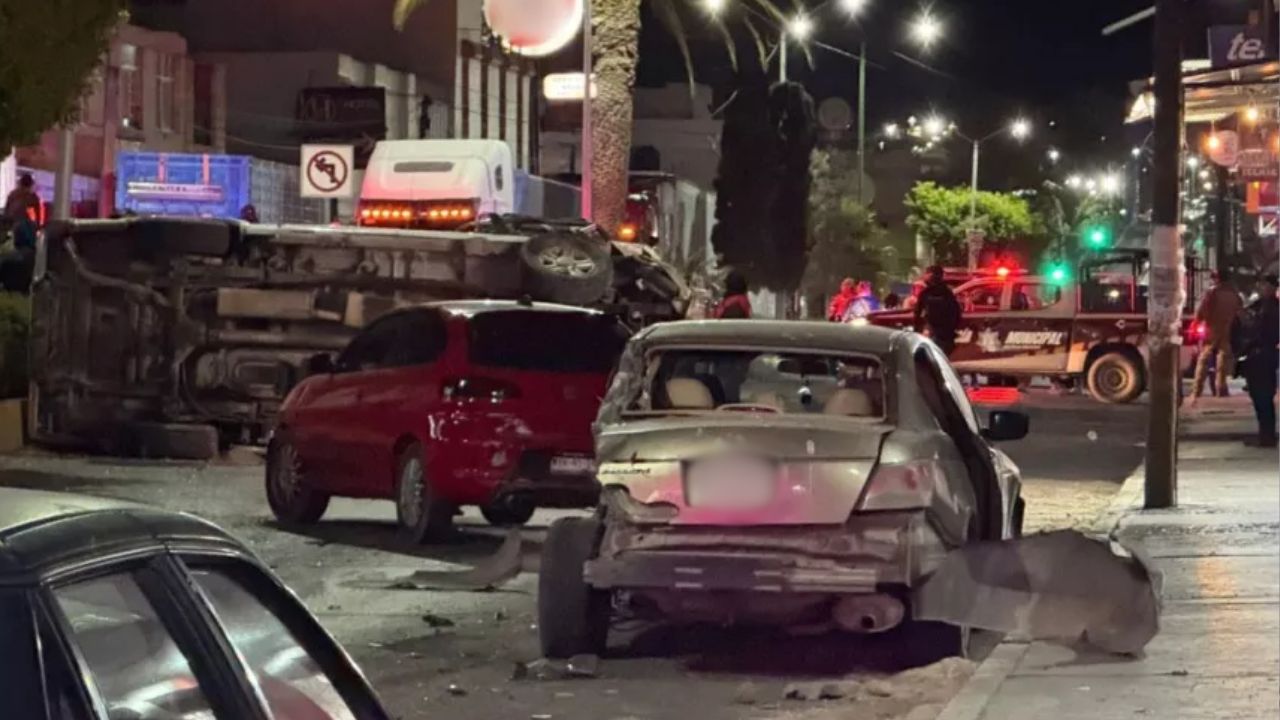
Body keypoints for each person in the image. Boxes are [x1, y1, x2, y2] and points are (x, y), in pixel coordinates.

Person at [1191, 271, 1244, 401]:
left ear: (1217, 279)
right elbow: (1240, 312)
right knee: (1223, 360)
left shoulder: (1212, 292)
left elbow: (1202, 309)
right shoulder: (1234, 294)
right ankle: (1221, 388)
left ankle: (1197, 390)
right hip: (1226, 328)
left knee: (1203, 359)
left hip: (1212, 328)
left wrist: (1196, 321)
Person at [1239, 274, 1278, 448]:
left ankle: (1267, 436)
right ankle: (1265, 434)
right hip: (1258, 356)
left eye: (1264, 285)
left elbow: (1263, 331)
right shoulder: (1260, 306)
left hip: (1263, 355)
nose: (1261, 288)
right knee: (1260, 397)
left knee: (1263, 397)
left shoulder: (1271, 308)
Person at [913, 265, 963, 355]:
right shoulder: (943, 292)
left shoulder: (938, 293)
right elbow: (956, 312)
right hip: (939, 331)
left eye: (928, 274)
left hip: (940, 332)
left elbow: (917, 313)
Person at [3, 174, 41, 250]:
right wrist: (37, 226)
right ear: (30, 185)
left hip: (11, 225)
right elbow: (37, 215)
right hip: (23, 227)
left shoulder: (12, 194)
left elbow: (6, 211)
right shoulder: (32, 196)